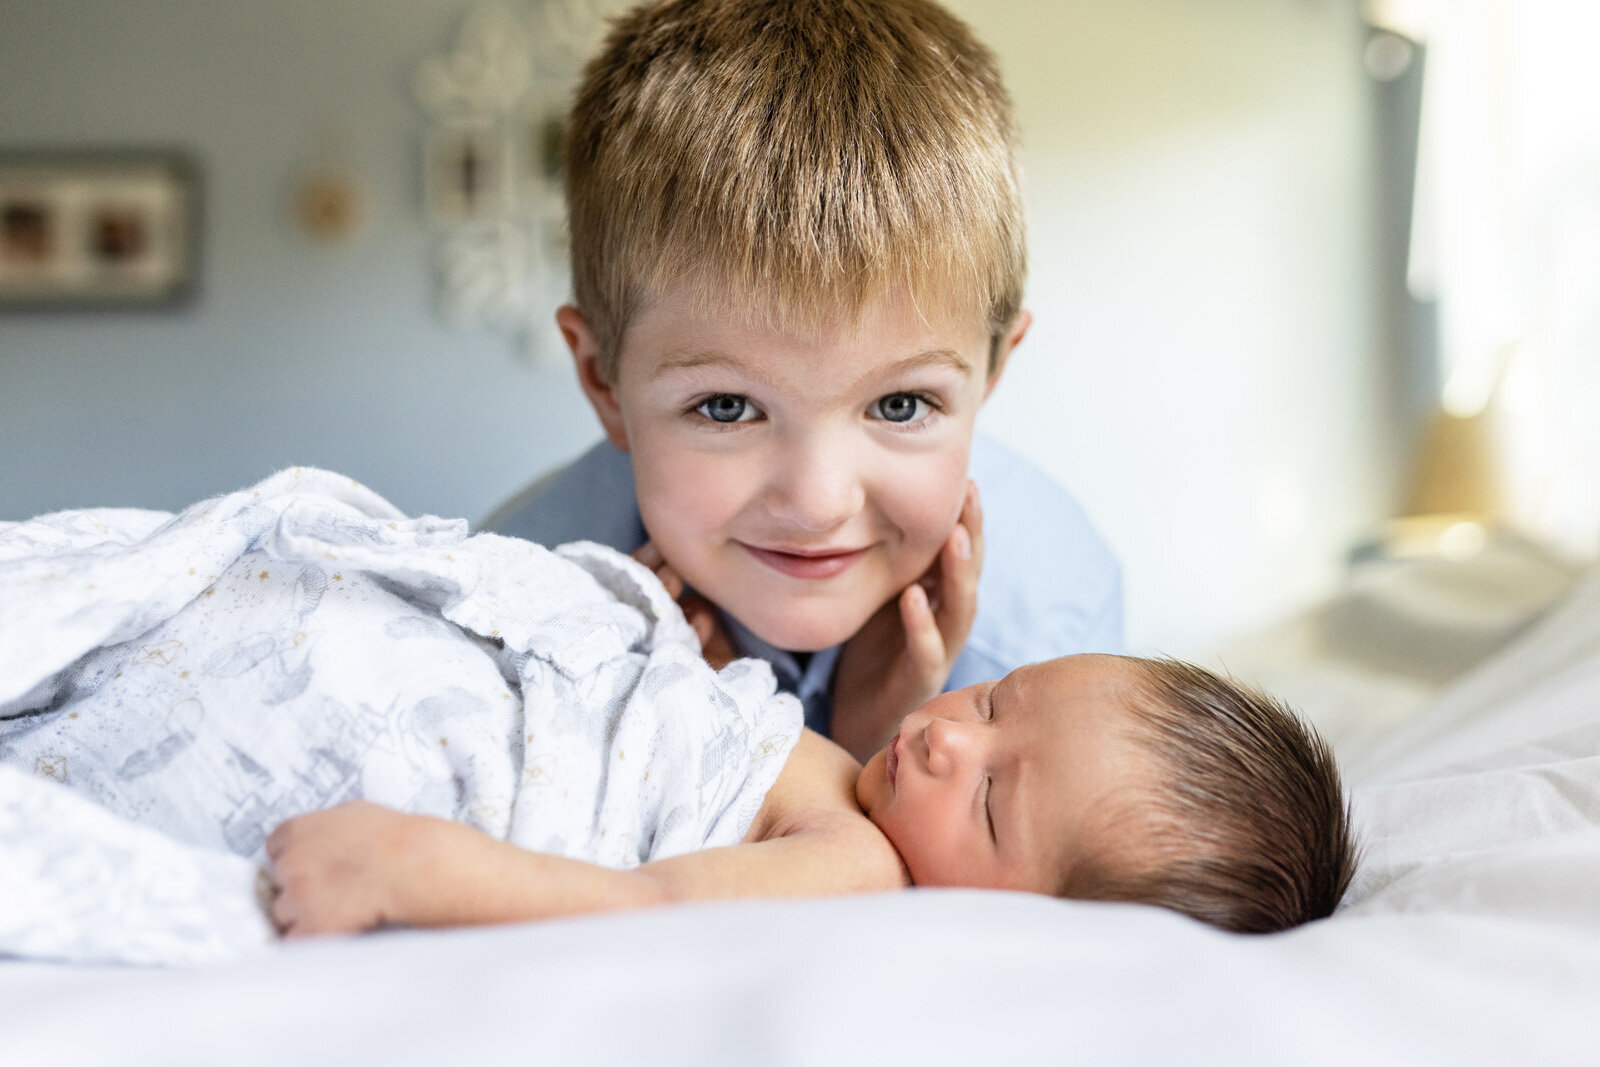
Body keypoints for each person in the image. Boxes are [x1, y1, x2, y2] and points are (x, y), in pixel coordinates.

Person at [484, 0, 1122, 762]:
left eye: (900, 403)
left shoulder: (1051, 630)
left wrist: (866, 767)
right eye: (727, 407)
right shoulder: (506, 613)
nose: (819, 504)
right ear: (603, 380)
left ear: (991, 371)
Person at [269, 653, 1357, 937]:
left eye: (987, 801)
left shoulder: (857, 865)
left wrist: (417, 868)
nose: (940, 736)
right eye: (995, 700)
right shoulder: (872, 783)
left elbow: (649, 907)